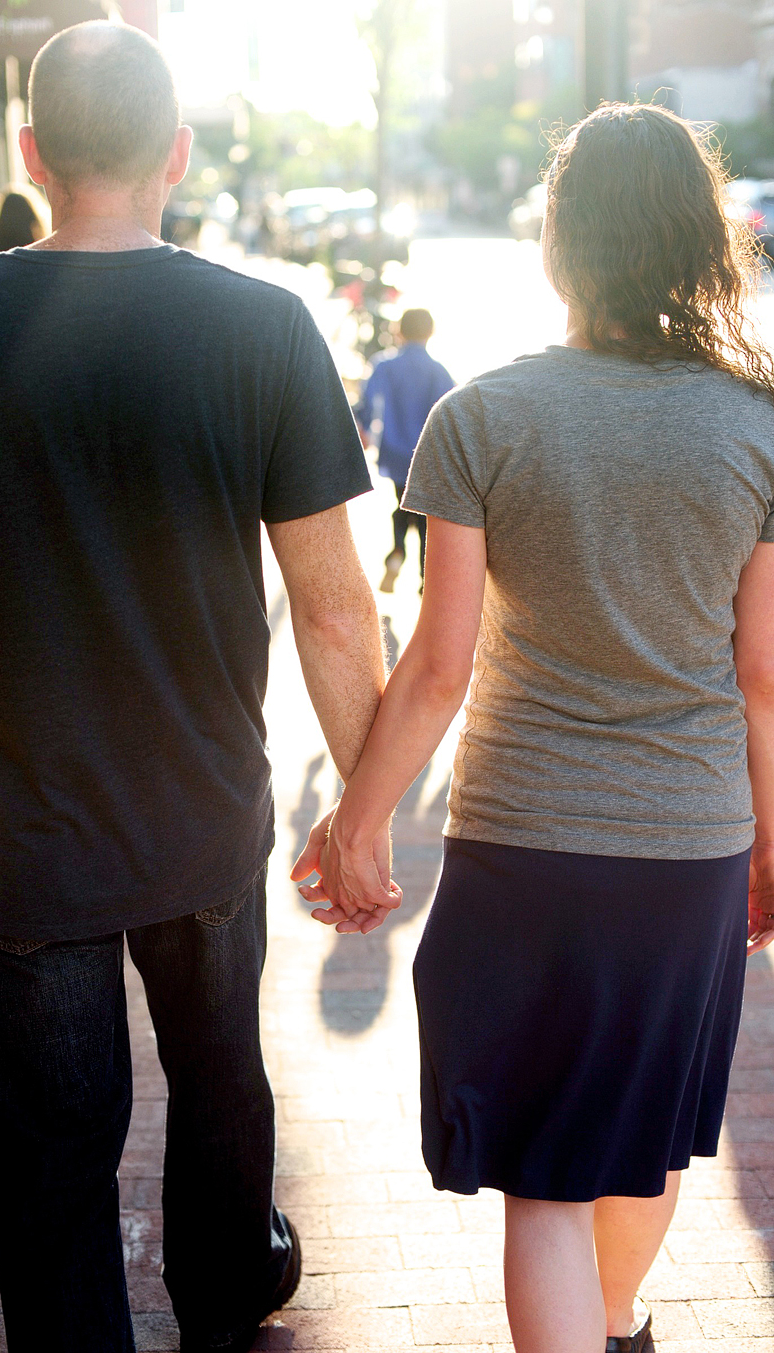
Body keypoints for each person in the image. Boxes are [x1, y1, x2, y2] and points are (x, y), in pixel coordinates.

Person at [0, 21, 395, 1353]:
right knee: (223, 1090)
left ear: (35, 155)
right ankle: (227, 1291)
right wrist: (366, 813)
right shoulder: (263, 327)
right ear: (175, 155)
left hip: (21, 833)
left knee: (48, 1163)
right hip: (205, 814)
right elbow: (338, 612)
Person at [294, 102, 774, 1353]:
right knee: (651, 1129)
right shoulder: (761, 426)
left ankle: (597, 1324)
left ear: (560, 246)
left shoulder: (483, 419)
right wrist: (772, 844)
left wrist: (358, 825)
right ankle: (616, 1325)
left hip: (528, 847)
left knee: (547, 1176)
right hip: (692, 848)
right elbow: (766, 676)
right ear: (697, 240)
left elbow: (440, 667)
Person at [354, 307, 454, 593]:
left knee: (401, 501)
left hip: (395, 452)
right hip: (426, 455)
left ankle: (397, 552)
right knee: (423, 514)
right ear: (431, 332)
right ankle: (425, 578)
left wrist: (362, 427)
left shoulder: (384, 365)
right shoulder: (438, 370)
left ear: (399, 331)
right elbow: (451, 409)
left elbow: (367, 402)